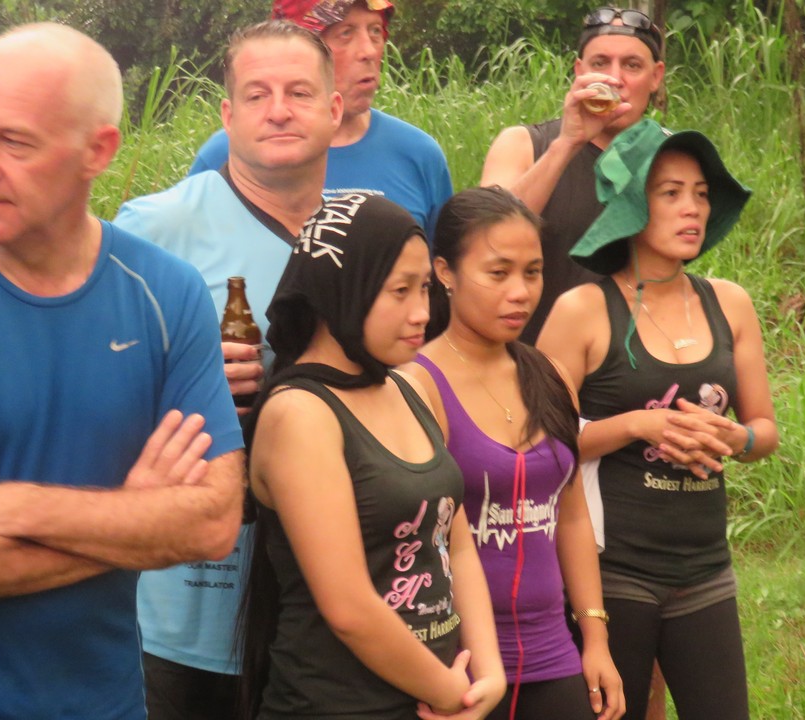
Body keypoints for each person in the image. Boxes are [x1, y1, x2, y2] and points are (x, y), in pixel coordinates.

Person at [0, 23, 244, 719]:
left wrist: (8, 506)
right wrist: (135, 521)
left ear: (98, 150)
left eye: (14, 141)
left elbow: (212, 523)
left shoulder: (166, 296)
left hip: (106, 699)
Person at [113, 20, 340, 720]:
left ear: (335, 109)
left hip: (324, 603)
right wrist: (183, 369)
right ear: (228, 114)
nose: (279, 110)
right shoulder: (154, 229)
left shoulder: (361, 239)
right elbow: (82, 386)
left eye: (300, 92)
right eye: (258, 94)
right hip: (181, 607)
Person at [537, 119, 778, 720]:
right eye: (671, 193)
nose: (692, 208)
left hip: (706, 565)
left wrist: (737, 436)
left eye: (701, 194)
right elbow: (538, 445)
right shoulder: (582, 310)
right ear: (631, 205)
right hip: (612, 568)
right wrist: (639, 426)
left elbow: (764, 431)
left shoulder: (730, 303)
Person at [242, 193, 504, 719]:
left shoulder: (410, 388)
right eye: (399, 291)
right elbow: (349, 608)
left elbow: (454, 540)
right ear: (343, 288)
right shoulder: (301, 415)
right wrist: (447, 693)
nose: (422, 312)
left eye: (425, 287)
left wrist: (489, 674)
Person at [401, 186, 625, 720]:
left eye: (533, 272)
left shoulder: (551, 378)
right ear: (445, 272)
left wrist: (594, 637)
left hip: (553, 653)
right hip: (459, 662)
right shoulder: (416, 384)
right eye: (498, 273)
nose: (520, 292)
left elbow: (571, 515)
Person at [481, 6, 665, 344]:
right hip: (530, 358)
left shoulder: (673, 158)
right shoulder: (524, 144)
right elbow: (485, 240)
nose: (615, 79)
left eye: (632, 65)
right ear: (579, 72)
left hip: (633, 362)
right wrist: (567, 144)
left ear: (656, 77)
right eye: (600, 64)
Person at [189, 0, 453, 235]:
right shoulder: (227, 153)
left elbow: (442, 270)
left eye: (375, 31)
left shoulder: (418, 155)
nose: (369, 51)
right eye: (346, 33)